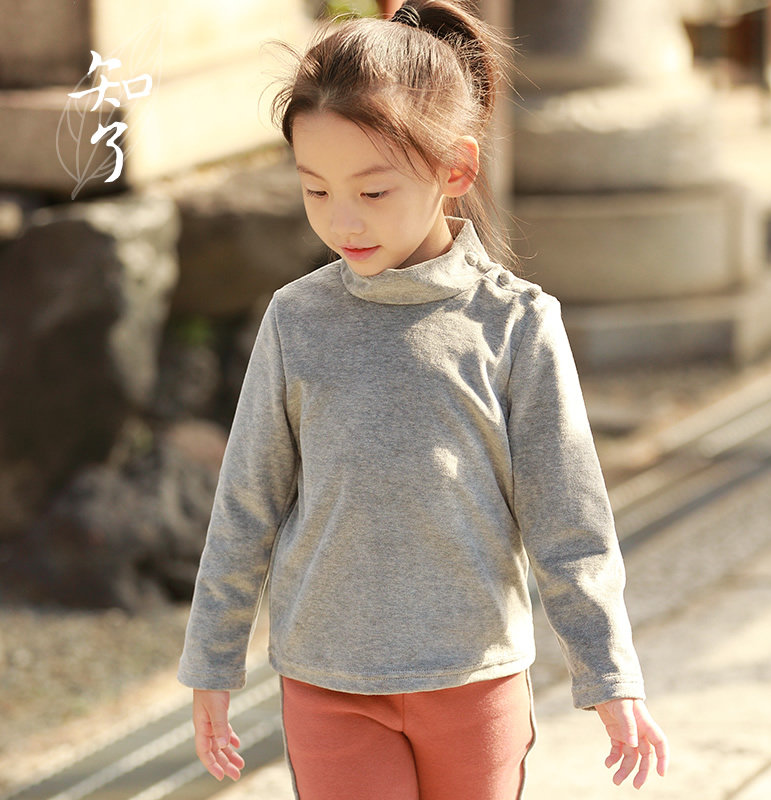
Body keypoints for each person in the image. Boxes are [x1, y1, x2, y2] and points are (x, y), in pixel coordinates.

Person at [177, 2, 669, 797]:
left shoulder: (516, 323)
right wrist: (213, 662)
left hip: (475, 680)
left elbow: (569, 521)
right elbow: (246, 506)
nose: (342, 220)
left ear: (456, 170)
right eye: (315, 190)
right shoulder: (296, 320)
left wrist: (610, 675)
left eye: (373, 192)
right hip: (327, 680)